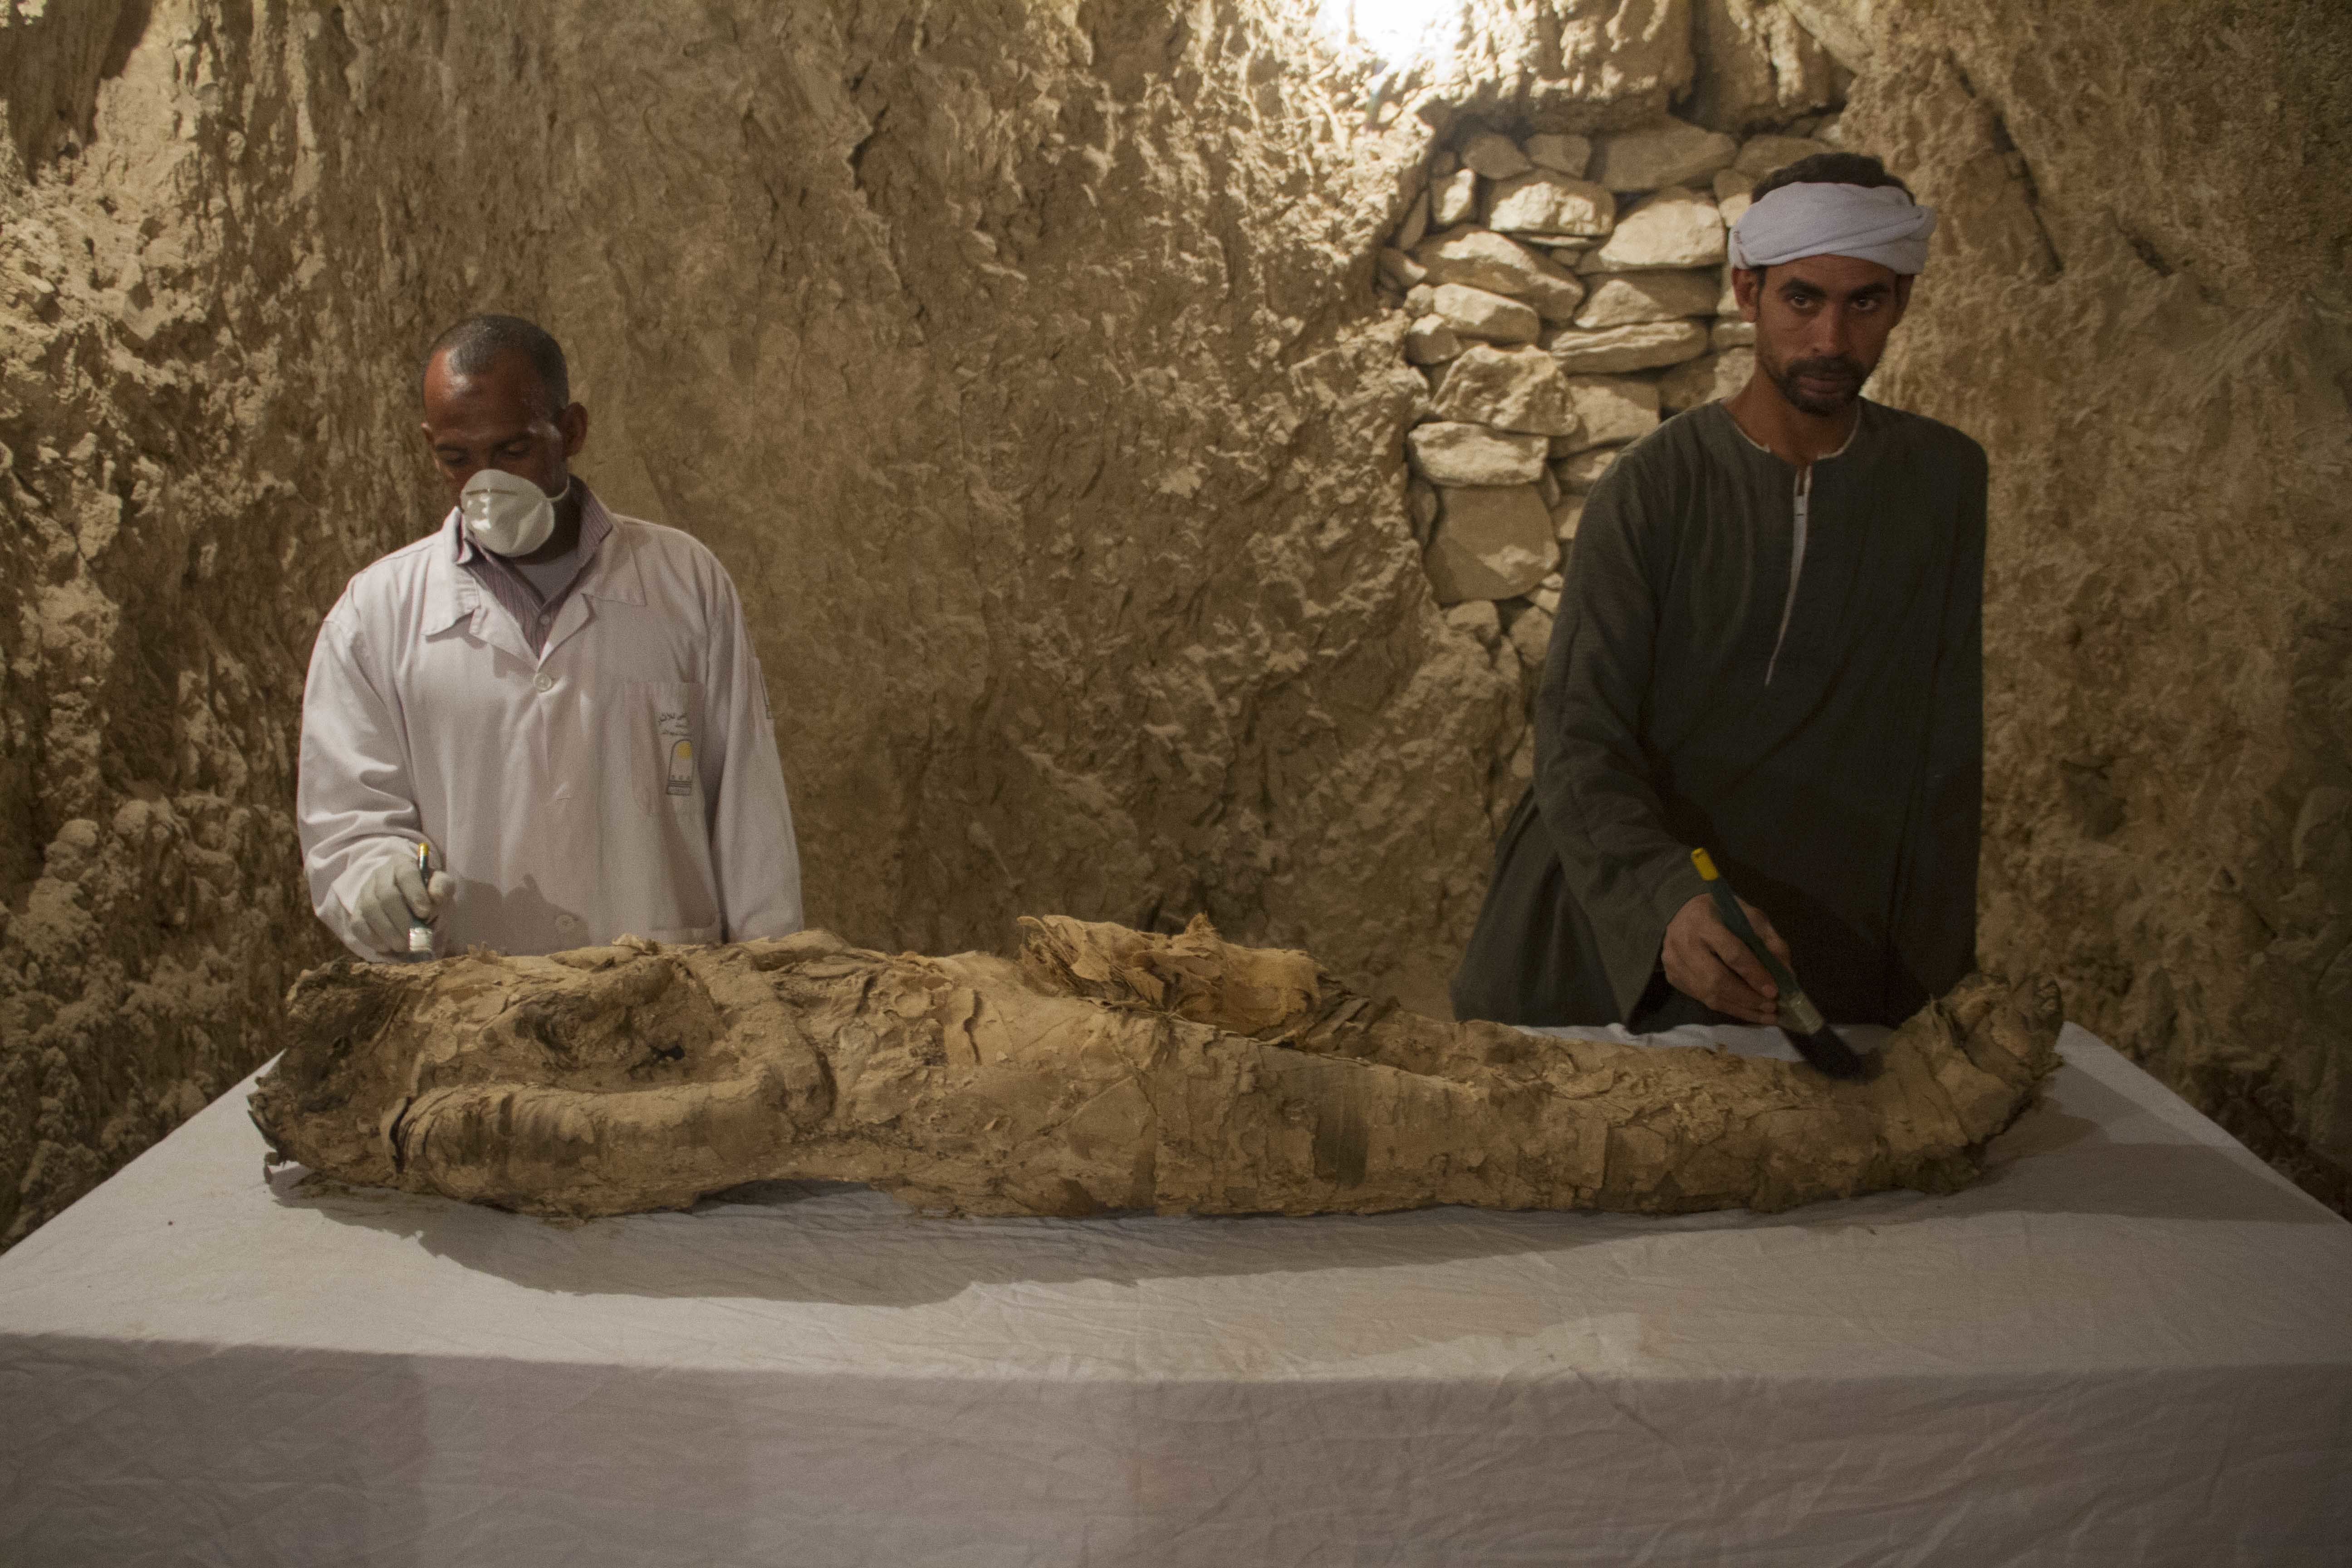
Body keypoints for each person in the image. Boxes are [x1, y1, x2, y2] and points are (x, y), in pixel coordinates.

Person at [1451, 153, 1982, 1032]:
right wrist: (1667, 900)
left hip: (1814, 962)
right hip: (1616, 940)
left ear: (1903, 302)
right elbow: (1580, 740)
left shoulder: (1943, 483)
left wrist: (1938, 998)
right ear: (1748, 293)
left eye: (1865, 304)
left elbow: (1941, 765)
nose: (1830, 341)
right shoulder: (1653, 486)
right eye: (1802, 299)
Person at [298, 314, 803, 960]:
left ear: (571, 431)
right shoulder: (374, 617)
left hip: (669, 1000)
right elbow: (350, 824)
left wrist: (773, 983)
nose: (486, 484)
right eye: (457, 458)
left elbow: (747, 810)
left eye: (513, 451)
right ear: (430, 445)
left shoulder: (683, 584)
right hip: (480, 1006)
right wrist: (378, 882)